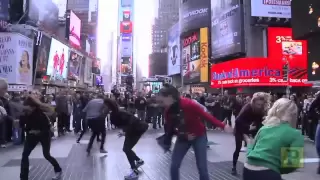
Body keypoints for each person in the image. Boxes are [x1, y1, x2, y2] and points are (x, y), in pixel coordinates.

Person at [156, 84, 232, 180]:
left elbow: (205, 115)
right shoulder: (168, 111)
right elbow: (170, 129)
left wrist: (223, 126)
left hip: (199, 136)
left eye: (162, 100)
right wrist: (183, 135)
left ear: (170, 97)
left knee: (202, 167)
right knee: (174, 165)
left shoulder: (188, 104)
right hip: (183, 138)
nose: (161, 103)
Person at [243, 98, 304, 180]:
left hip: (248, 170)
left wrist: (249, 144)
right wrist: (275, 168)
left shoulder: (264, 128)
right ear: (294, 115)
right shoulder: (295, 134)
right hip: (268, 173)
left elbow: (250, 152)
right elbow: (293, 163)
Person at [19, 96, 62, 180]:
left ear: (34, 107)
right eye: (26, 109)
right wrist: (28, 130)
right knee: (25, 155)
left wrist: (38, 132)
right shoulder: (24, 114)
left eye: (29, 109)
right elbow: (22, 126)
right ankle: (23, 177)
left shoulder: (41, 115)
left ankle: (58, 170)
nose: (27, 111)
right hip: (31, 135)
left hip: (44, 135)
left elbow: (46, 128)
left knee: (46, 155)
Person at [104, 98, 148, 180]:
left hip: (137, 129)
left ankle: (134, 171)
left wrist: (126, 132)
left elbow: (132, 122)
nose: (103, 109)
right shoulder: (115, 115)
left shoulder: (118, 114)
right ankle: (138, 161)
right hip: (135, 129)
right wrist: (125, 132)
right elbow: (126, 124)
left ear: (109, 106)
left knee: (126, 149)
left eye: (104, 107)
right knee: (126, 149)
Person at [232, 92, 270, 175]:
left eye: (261, 104)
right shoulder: (247, 108)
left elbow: (259, 122)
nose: (259, 106)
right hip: (240, 128)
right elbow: (238, 120)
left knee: (254, 147)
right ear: (253, 102)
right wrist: (248, 127)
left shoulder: (261, 109)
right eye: (257, 104)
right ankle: (234, 167)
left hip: (251, 129)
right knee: (238, 148)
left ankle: (252, 166)